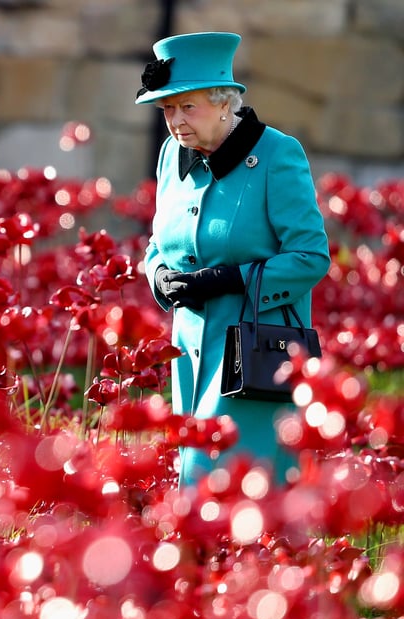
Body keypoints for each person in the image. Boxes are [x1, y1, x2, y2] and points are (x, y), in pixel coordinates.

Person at [136, 32, 330, 488]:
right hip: (187, 352)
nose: (176, 121)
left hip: (254, 355)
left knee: (226, 489)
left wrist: (231, 279)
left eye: (188, 106)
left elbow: (310, 258)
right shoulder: (171, 156)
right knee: (193, 486)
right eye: (167, 109)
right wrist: (157, 274)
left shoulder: (277, 155)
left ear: (225, 102)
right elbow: (157, 242)